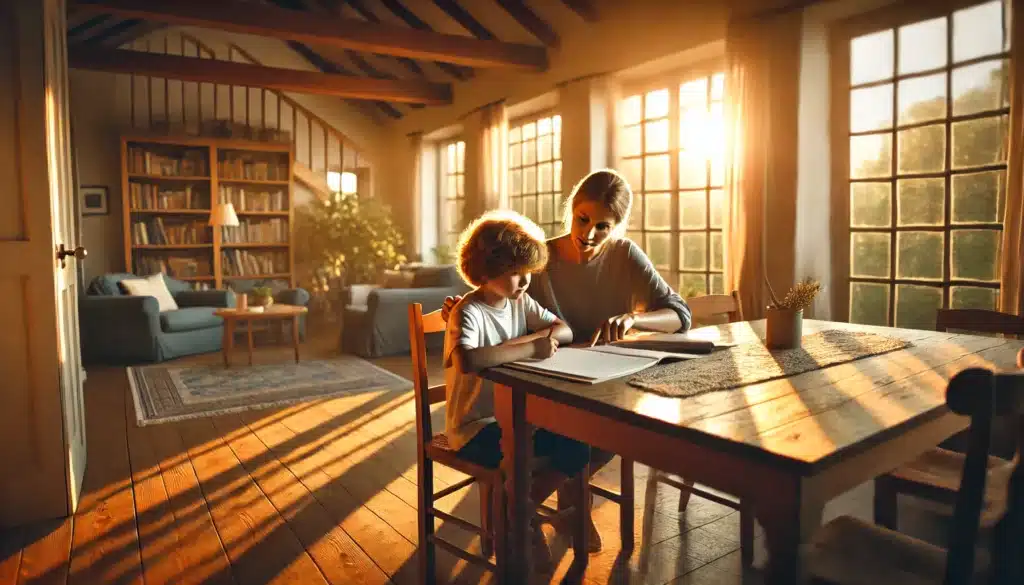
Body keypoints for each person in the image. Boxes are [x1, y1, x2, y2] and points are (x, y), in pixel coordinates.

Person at [442, 169, 692, 551]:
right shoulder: (538, 258)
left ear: (619, 226)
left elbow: (680, 314)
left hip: (601, 375)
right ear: (571, 210)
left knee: (615, 427)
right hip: (539, 385)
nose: (589, 234)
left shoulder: (624, 254)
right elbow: (494, 293)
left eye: (604, 227)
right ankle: (554, 508)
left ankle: (545, 505)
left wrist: (634, 319)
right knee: (569, 434)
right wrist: (465, 315)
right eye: (583, 219)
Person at [443, 209, 586, 573]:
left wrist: (537, 337)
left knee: (577, 445)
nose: (525, 281)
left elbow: (564, 330)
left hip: (521, 419)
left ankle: (520, 510)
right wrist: (530, 346)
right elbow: (468, 361)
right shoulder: (468, 311)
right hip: (476, 428)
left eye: (527, 272)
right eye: (514, 274)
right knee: (519, 455)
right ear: (486, 272)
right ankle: (522, 520)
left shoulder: (520, 302)